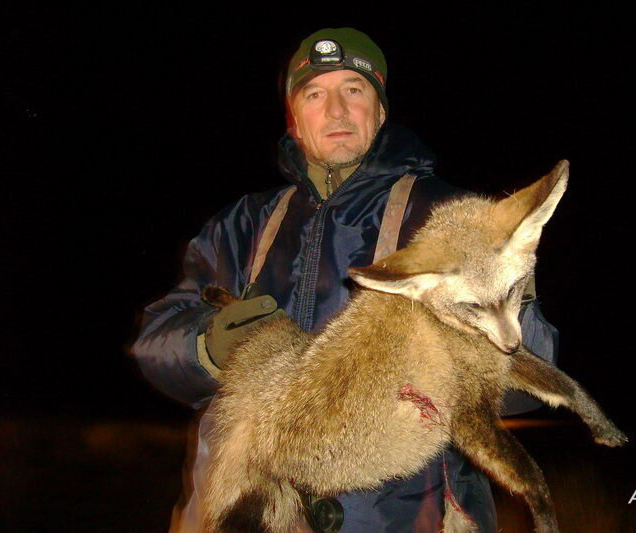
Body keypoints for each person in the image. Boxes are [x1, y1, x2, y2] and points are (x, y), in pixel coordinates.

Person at [132, 27, 559, 532]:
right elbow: (154, 342)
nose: (336, 110)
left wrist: (507, 305)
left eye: (354, 91)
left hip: (404, 517)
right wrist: (206, 347)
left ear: (379, 111)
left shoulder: (451, 219)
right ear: (295, 120)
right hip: (242, 509)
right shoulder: (239, 226)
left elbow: (523, 387)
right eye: (315, 94)